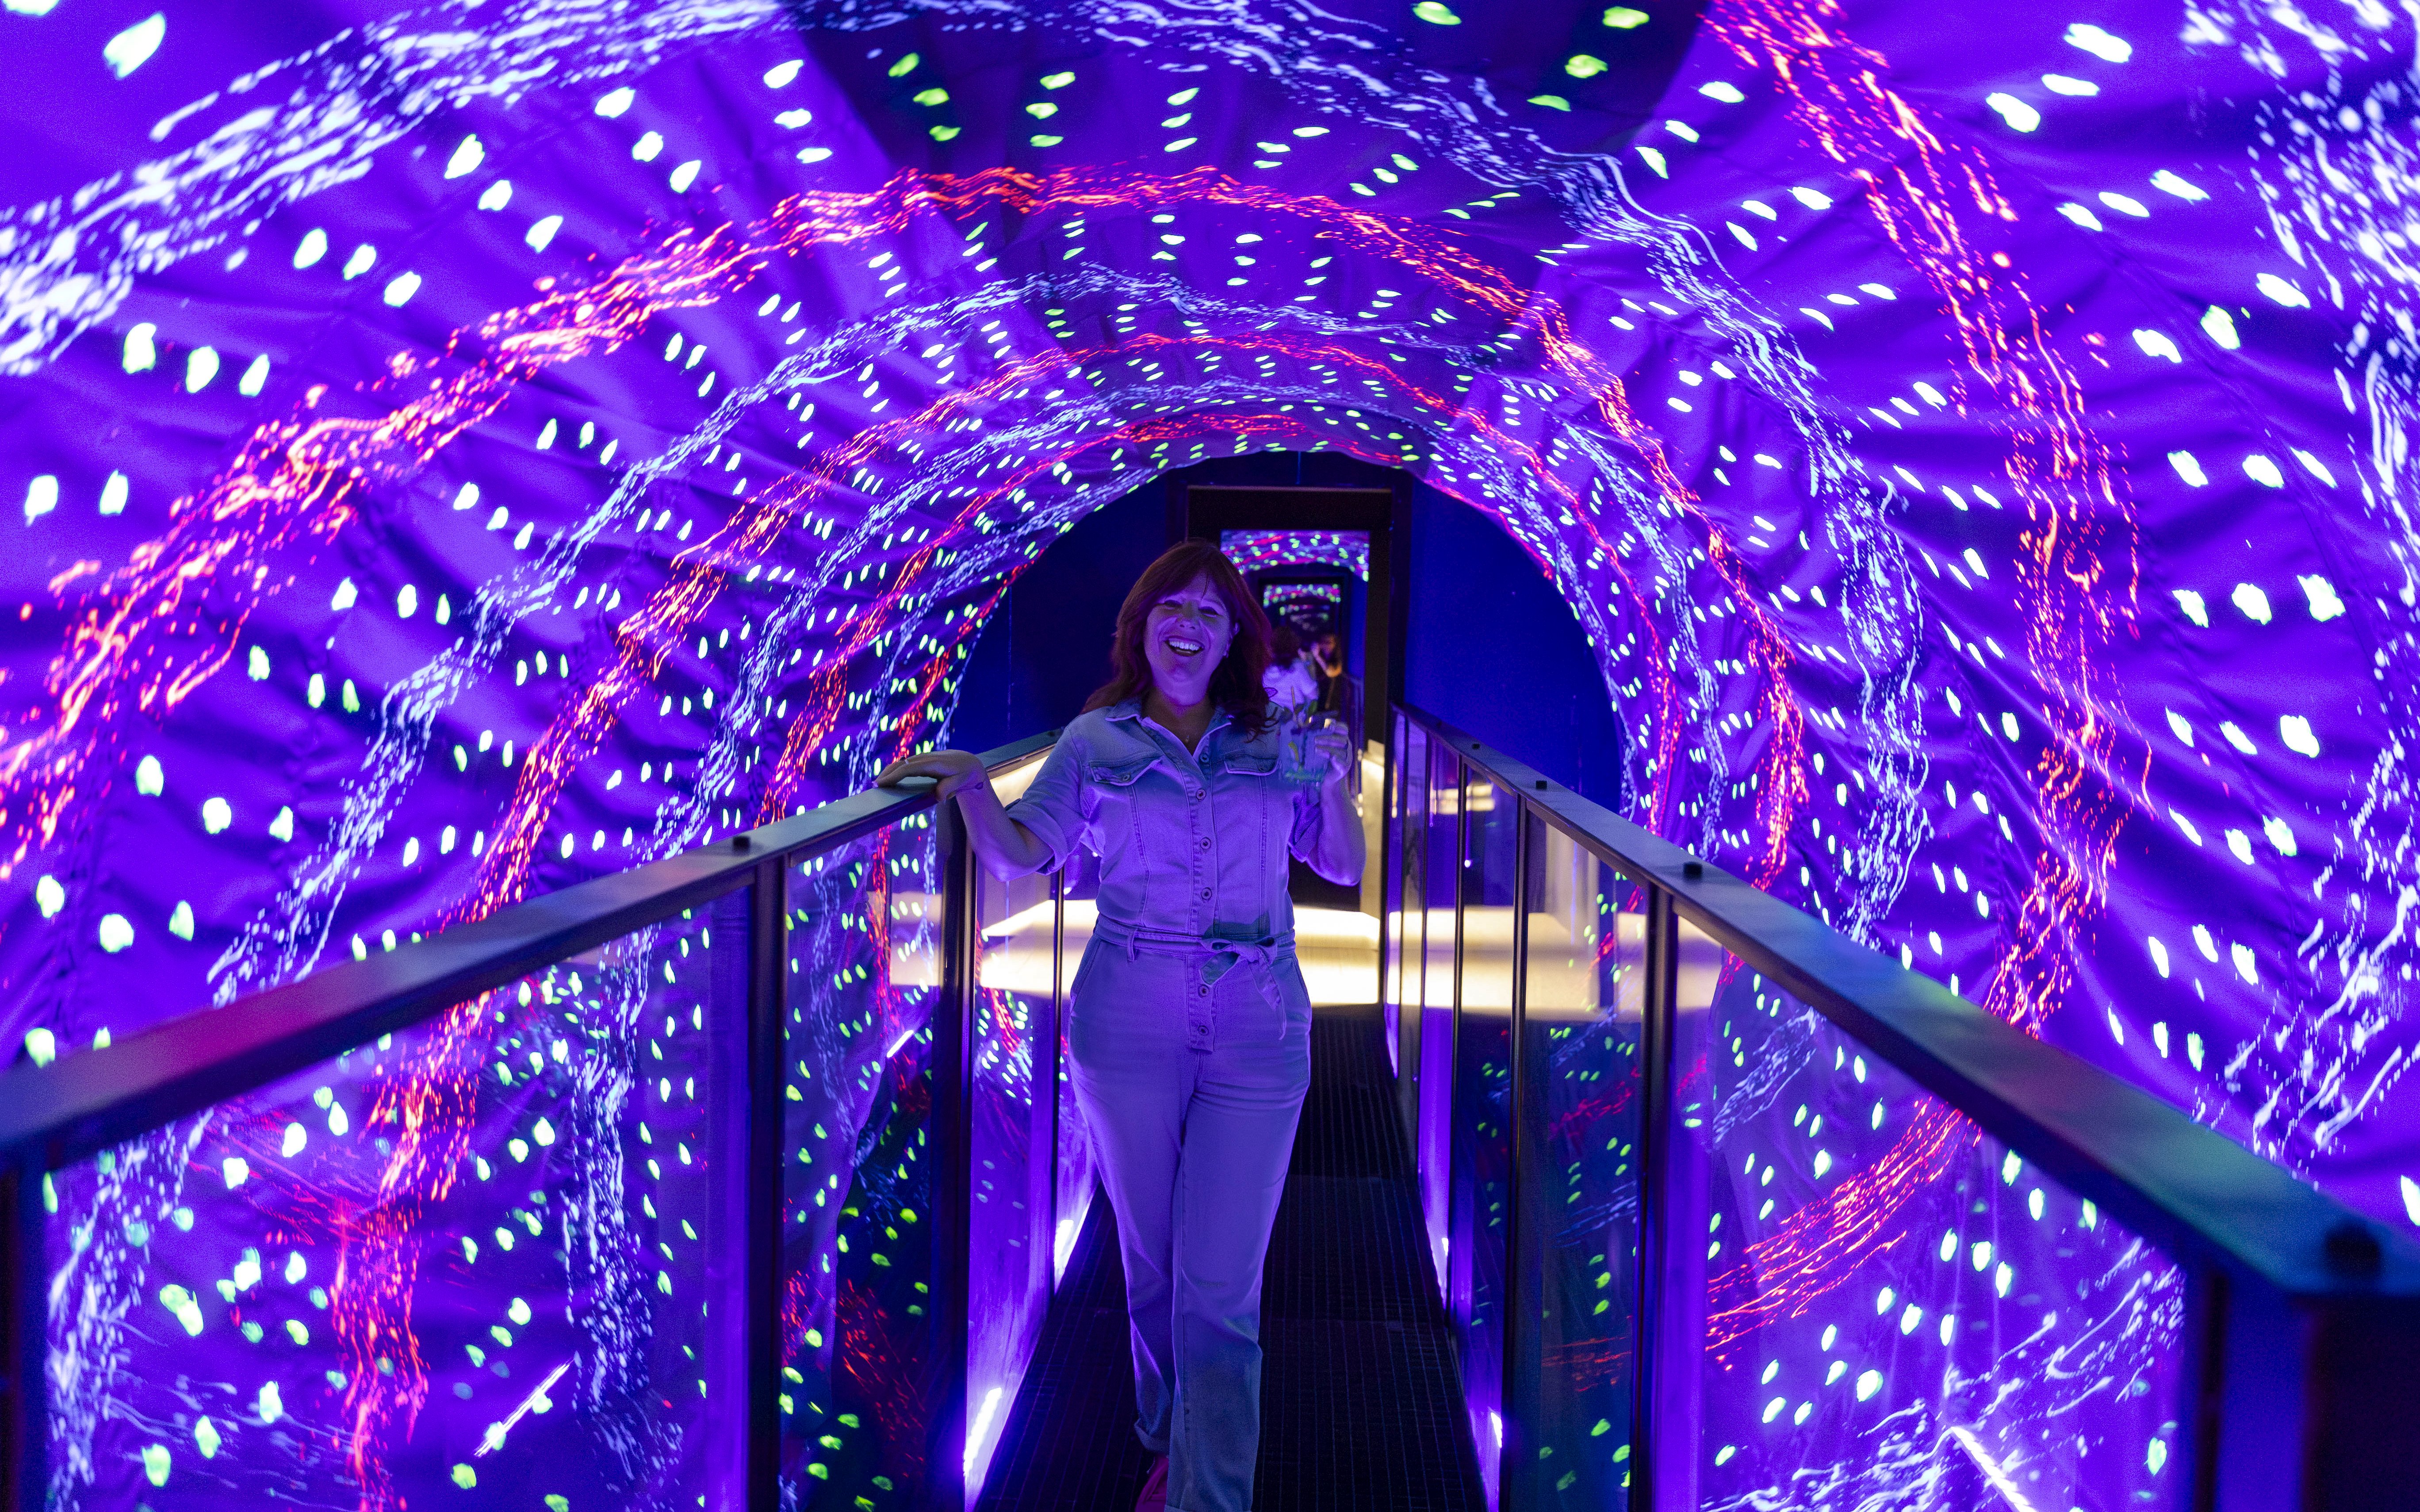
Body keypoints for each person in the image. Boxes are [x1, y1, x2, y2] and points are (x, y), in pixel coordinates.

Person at [879, 540, 1363, 1512]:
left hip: (1258, 1018)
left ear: (1234, 637)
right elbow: (1025, 854)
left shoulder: (1275, 742)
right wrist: (974, 785)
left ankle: (1208, 1495)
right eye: (1170, 608)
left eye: (1211, 613)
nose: (1188, 626)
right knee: (1151, 1263)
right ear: (1143, 625)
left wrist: (1340, 783)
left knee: (1218, 1288)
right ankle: (1164, 1437)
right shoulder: (1096, 741)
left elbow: (1345, 867)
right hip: (1128, 1012)